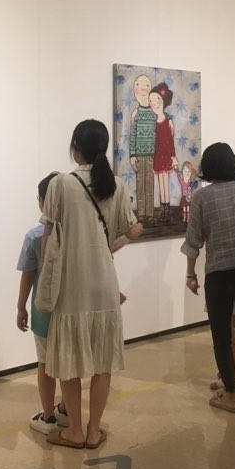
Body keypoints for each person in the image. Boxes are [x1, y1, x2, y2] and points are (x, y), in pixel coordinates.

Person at [41, 120, 142, 448]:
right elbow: (130, 228)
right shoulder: (116, 185)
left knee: (68, 362)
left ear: (75, 147)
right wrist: (112, 245)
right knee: (103, 362)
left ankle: (75, 430)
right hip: (104, 282)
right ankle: (94, 430)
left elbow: (47, 238)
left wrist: (45, 277)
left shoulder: (60, 184)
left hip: (71, 284)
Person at [182, 142, 235, 413]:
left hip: (219, 276)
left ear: (207, 167)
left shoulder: (202, 198)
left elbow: (193, 241)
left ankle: (230, 396)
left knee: (222, 338)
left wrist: (190, 274)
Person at [16, 172, 69, 434]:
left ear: (41, 201)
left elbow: (28, 276)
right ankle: (67, 411)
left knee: (45, 364)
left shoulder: (34, 236)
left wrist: (20, 308)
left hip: (43, 311)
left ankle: (48, 417)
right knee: (70, 363)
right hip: (70, 309)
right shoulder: (75, 234)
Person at [129, 74, 157, 223]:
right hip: (139, 156)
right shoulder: (136, 113)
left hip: (152, 156)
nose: (143, 89)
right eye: (139, 86)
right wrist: (132, 155)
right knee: (140, 185)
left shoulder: (154, 114)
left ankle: (150, 213)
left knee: (150, 185)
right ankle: (141, 213)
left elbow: (158, 135)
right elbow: (132, 135)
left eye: (146, 85)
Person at [150, 83, 178, 223]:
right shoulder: (152, 122)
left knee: (165, 183)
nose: (154, 103)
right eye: (151, 101)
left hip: (166, 156)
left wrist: (173, 158)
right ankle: (163, 210)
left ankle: (167, 211)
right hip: (157, 157)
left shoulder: (168, 121)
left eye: (157, 100)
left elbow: (171, 141)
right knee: (161, 185)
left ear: (163, 101)